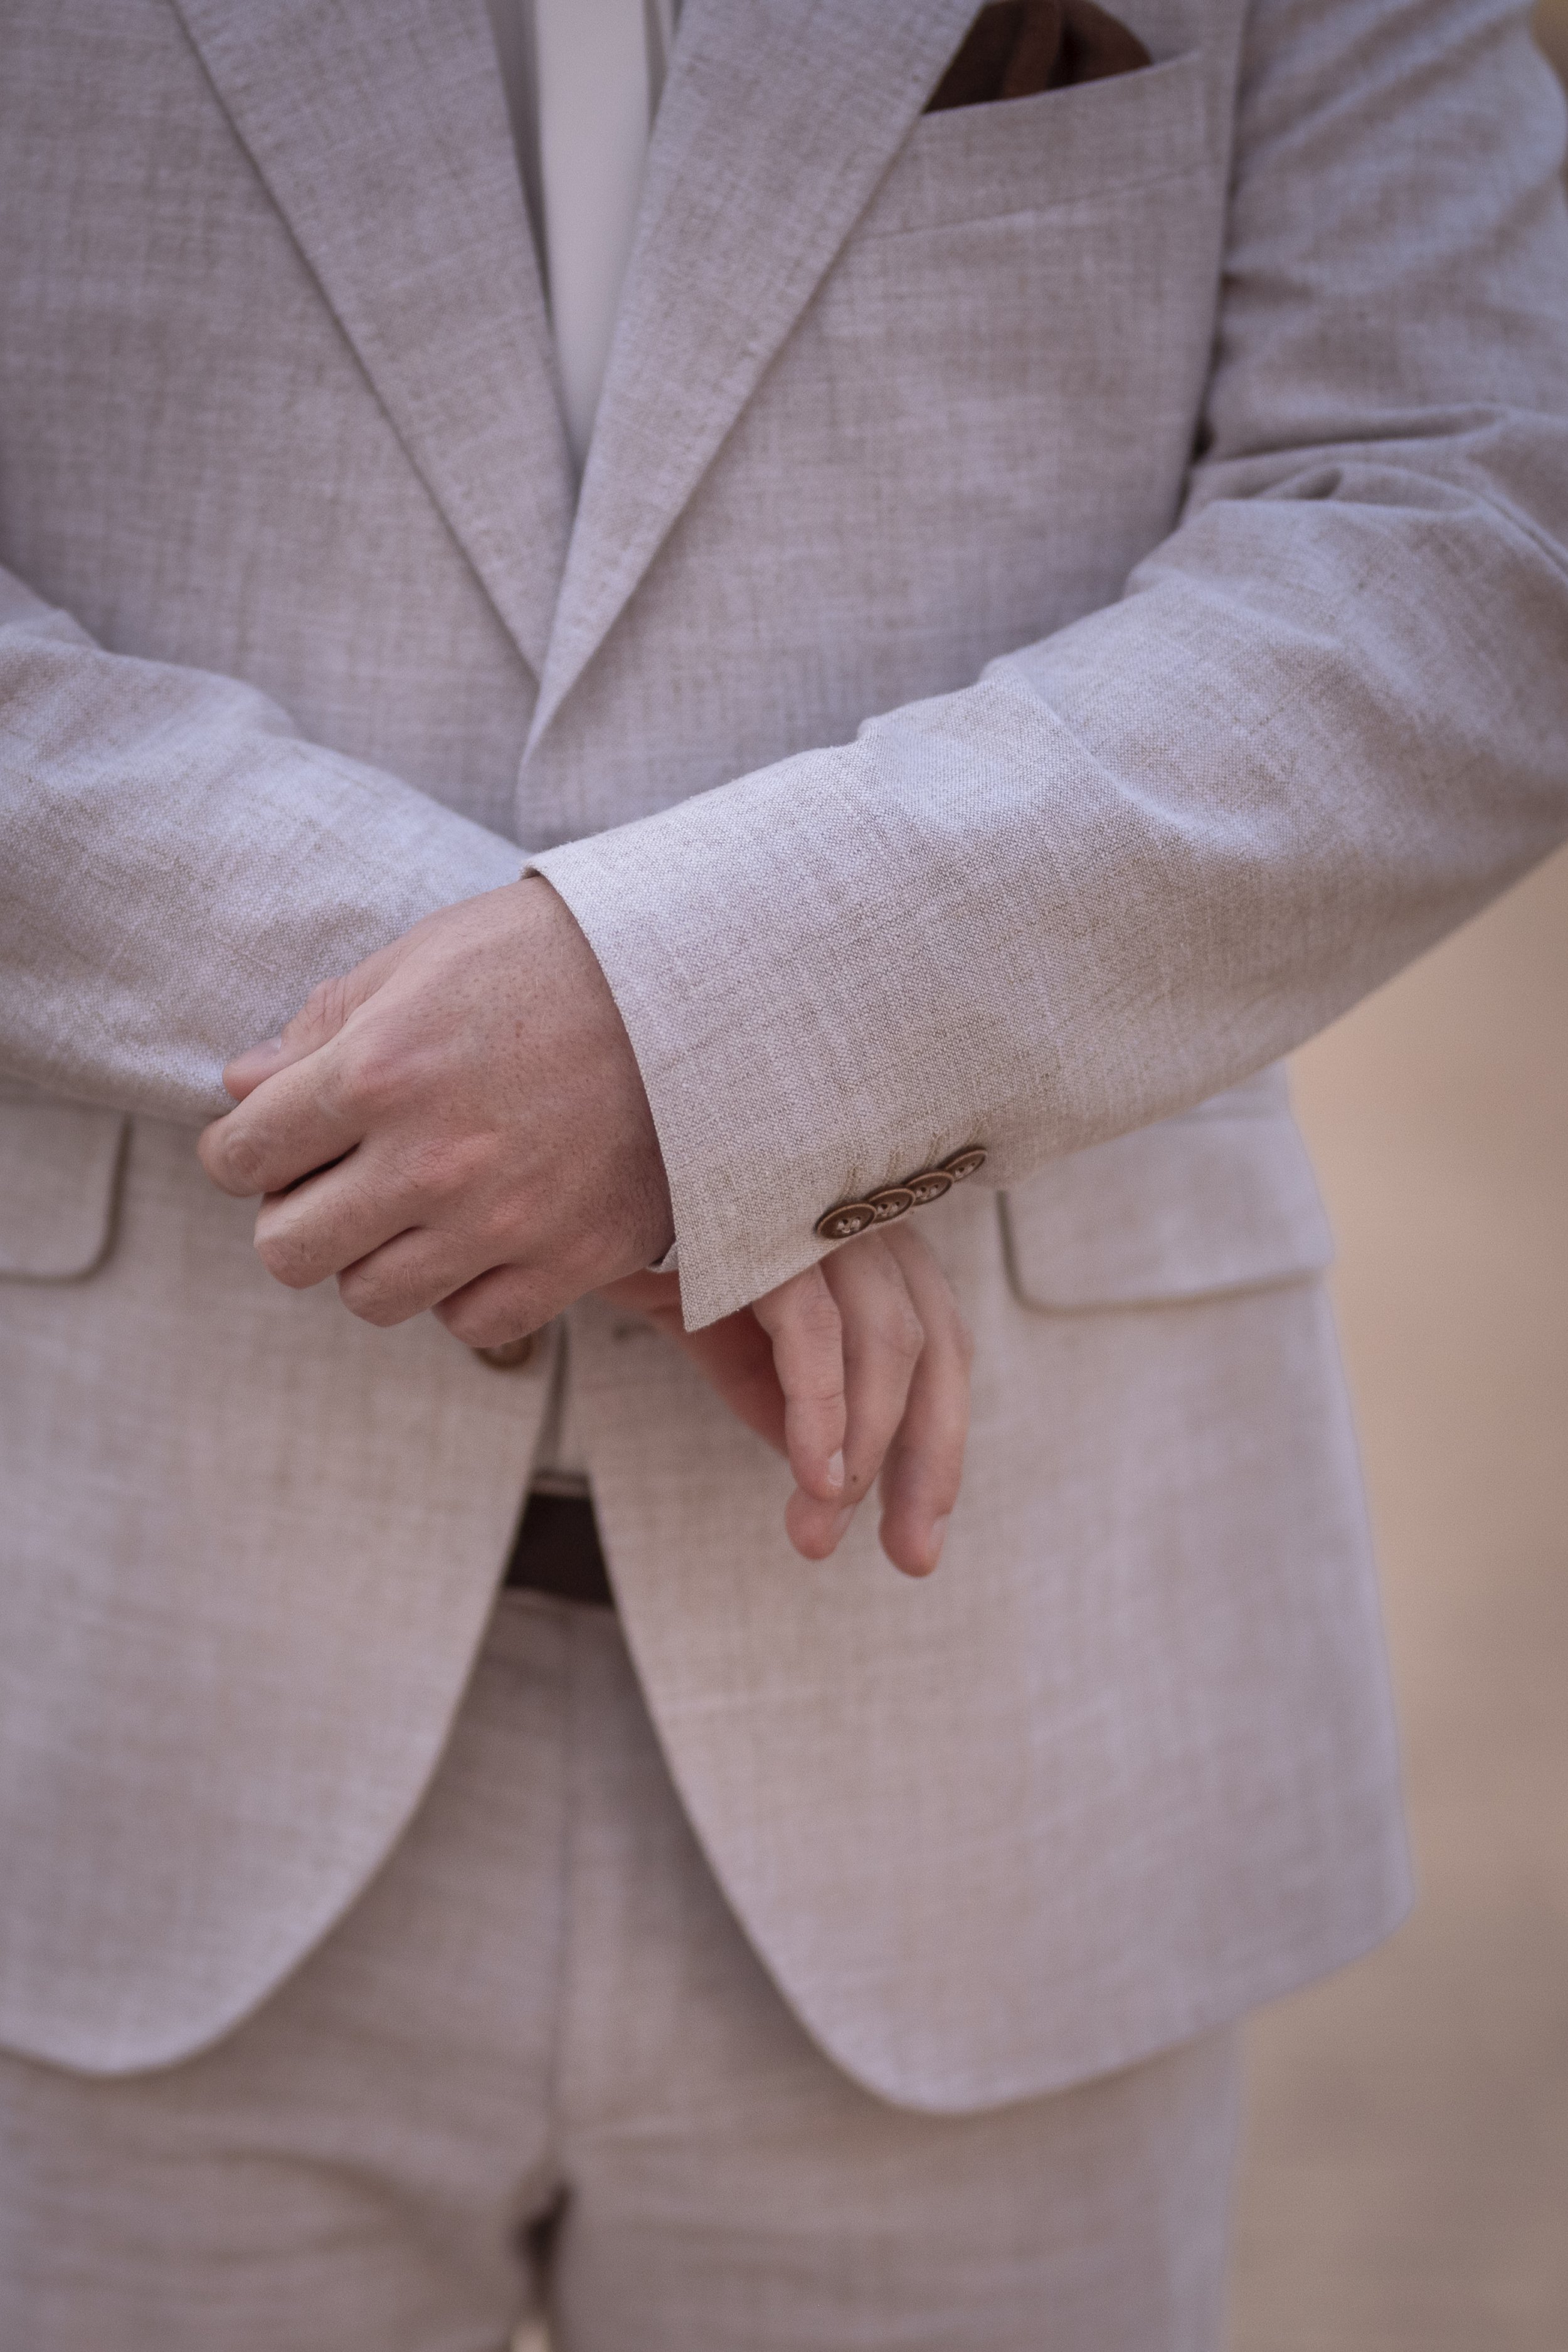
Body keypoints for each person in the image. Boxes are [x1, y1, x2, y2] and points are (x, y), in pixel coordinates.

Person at [2, 1, 1565, 2344]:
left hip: (1017, 1706)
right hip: (100, 1679)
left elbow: (1480, 506)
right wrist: (557, 1059)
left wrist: (711, 1032)